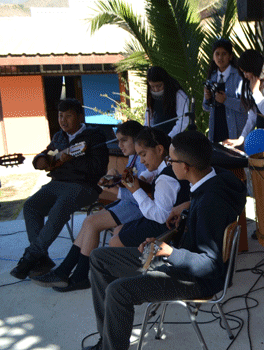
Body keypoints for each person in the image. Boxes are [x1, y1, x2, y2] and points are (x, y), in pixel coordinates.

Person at [82, 130, 247, 350]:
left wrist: (169, 252)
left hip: (196, 278)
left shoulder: (210, 202)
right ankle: (108, 342)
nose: (168, 166)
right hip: (181, 259)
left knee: (118, 292)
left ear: (186, 167)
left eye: (171, 162)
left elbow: (209, 264)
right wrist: (185, 208)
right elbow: (209, 205)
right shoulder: (217, 179)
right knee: (99, 258)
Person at [30, 120, 147, 292]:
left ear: (137, 139)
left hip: (137, 208)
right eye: (118, 141)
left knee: (92, 223)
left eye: (124, 140)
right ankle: (65, 272)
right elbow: (131, 184)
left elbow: (142, 195)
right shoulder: (133, 157)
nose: (119, 145)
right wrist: (114, 177)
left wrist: (114, 189)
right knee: (88, 222)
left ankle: (79, 276)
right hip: (129, 204)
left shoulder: (143, 160)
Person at [10, 99, 109, 280]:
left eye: (68, 116)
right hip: (57, 184)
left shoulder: (94, 137)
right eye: (60, 116)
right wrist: (40, 160)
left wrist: (73, 160)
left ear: (80, 117)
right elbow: (48, 155)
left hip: (84, 186)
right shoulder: (59, 138)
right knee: (31, 206)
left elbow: (98, 168)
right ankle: (42, 259)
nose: (63, 120)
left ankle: (32, 256)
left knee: (60, 206)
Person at [106, 127, 190, 249]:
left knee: (114, 242)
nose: (141, 161)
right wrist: (142, 177)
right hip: (160, 222)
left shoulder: (165, 179)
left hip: (165, 227)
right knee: (118, 230)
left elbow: (161, 216)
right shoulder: (167, 165)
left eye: (144, 154)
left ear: (159, 149)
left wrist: (136, 191)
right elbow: (153, 173)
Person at [224, 49, 264, 148]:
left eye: (246, 71)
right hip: (263, 138)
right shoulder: (255, 84)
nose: (245, 76)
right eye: (243, 72)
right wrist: (241, 138)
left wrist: (256, 92)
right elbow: (253, 116)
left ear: (254, 67)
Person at [203, 38, 245, 145]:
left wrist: (226, 100)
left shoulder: (239, 76)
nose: (220, 57)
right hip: (216, 130)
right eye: (217, 54)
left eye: (224, 54)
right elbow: (206, 108)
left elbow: (246, 106)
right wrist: (207, 98)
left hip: (234, 133)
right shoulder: (212, 76)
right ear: (213, 57)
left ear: (230, 56)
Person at [144, 66, 190, 138]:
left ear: (165, 82)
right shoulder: (150, 95)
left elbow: (183, 121)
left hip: (174, 138)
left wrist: (168, 137)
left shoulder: (179, 95)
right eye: (152, 87)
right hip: (156, 138)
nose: (156, 90)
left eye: (159, 86)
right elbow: (149, 120)